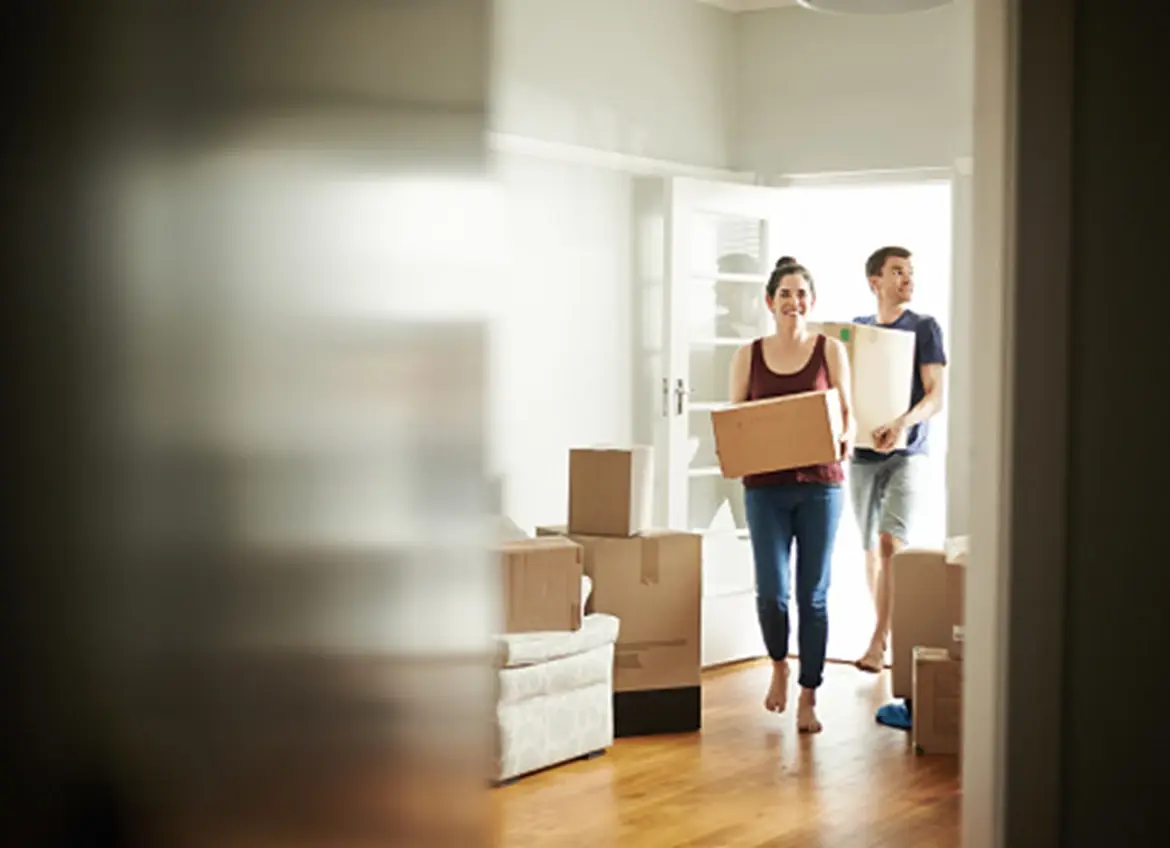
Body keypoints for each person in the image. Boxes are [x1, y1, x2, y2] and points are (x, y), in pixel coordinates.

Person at [728, 258, 855, 734]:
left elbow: (849, 412)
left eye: (802, 294)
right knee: (772, 594)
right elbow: (736, 423)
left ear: (812, 301)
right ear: (769, 301)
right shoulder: (748, 355)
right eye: (785, 293)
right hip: (765, 489)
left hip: (821, 485)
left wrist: (846, 437)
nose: (793, 302)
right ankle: (779, 663)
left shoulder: (830, 351)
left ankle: (809, 693)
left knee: (813, 596)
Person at [846, 246, 947, 730]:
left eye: (911, 272)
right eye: (898, 272)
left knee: (891, 544)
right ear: (874, 281)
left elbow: (936, 396)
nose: (908, 279)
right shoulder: (858, 329)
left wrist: (904, 423)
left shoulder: (923, 327)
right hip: (861, 455)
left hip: (907, 453)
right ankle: (880, 633)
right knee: (868, 548)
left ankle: (880, 639)